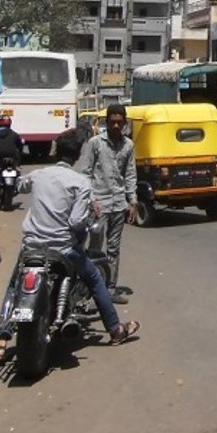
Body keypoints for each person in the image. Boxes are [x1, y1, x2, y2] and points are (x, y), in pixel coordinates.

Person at [0, 130, 139, 363]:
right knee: (94, 279)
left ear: (55, 151)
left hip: (32, 246)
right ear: (78, 155)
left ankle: (1, 343)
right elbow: (75, 222)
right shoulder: (80, 182)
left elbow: (20, 185)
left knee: (14, 286)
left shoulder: (39, 174)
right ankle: (115, 330)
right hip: (63, 249)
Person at [79, 104, 137, 304]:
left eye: (119, 122)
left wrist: (133, 201)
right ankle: (90, 286)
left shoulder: (128, 145)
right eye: (112, 121)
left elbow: (129, 175)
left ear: (124, 123)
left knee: (114, 248)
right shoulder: (95, 143)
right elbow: (85, 173)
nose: (115, 125)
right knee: (95, 246)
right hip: (99, 205)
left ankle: (110, 288)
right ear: (106, 122)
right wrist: (91, 199)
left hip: (119, 204)